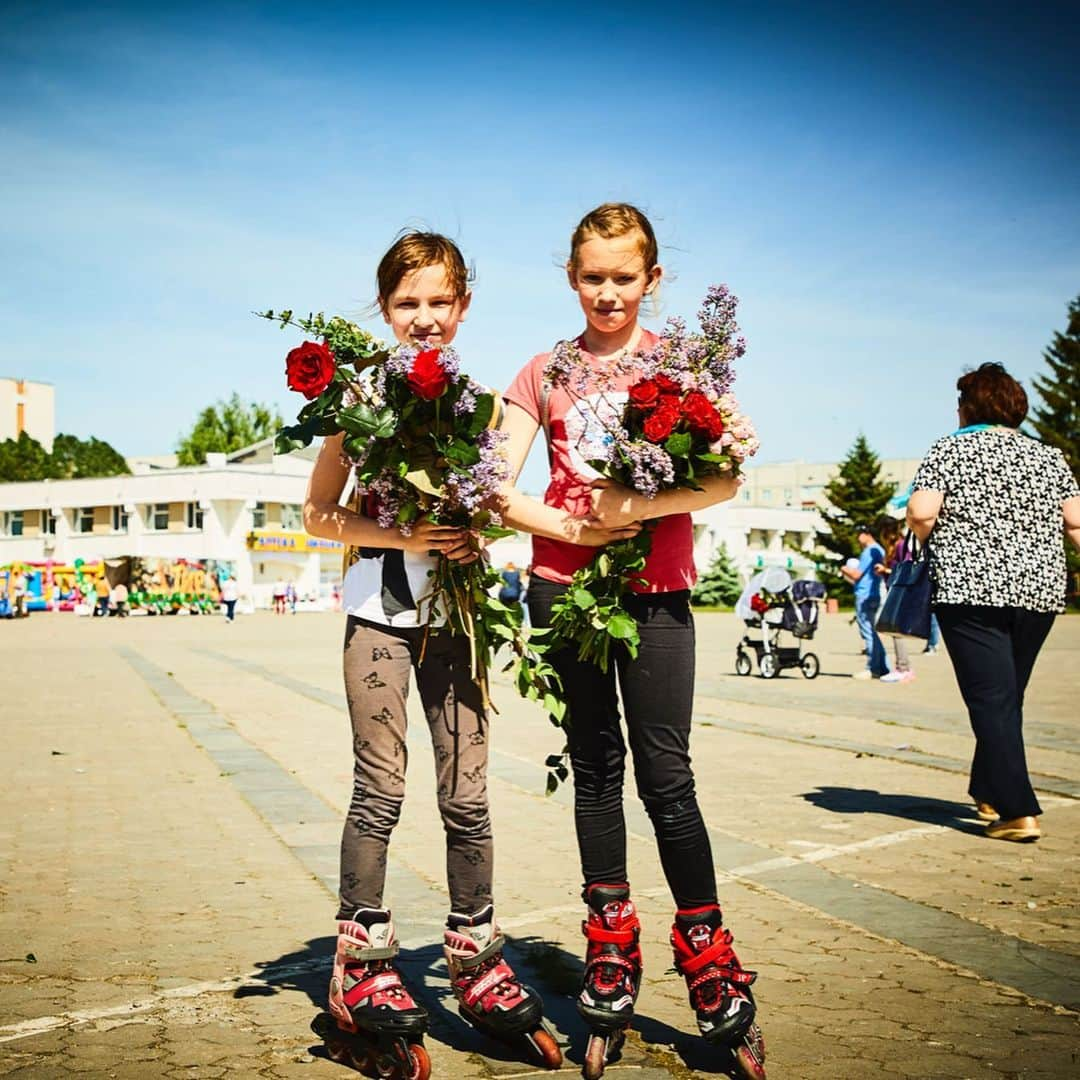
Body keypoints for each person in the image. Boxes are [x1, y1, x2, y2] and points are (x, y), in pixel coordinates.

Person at [500, 203, 766, 1077]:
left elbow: (724, 477)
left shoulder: (682, 364)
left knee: (667, 772)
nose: (607, 293)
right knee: (595, 767)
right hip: (565, 594)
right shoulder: (544, 372)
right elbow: (493, 489)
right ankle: (610, 941)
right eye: (592, 276)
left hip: (657, 596)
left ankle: (708, 953)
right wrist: (572, 532)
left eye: (624, 277)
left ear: (653, 280)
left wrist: (636, 509)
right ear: (570, 278)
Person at [302, 231, 558, 1070]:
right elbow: (318, 514)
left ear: (463, 305)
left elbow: (494, 501)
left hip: (456, 616)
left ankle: (474, 955)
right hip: (378, 610)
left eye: (439, 301)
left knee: (468, 793)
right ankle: (361, 960)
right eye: (407, 302)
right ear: (384, 308)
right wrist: (401, 529)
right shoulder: (356, 400)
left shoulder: (480, 404)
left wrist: (474, 533)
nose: (424, 317)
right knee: (381, 785)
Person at [908, 362, 1080, 843]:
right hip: (1040, 592)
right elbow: (1076, 523)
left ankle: (1018, 810)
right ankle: (987, 787)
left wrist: (924, 539)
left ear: (968, 407)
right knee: (1005, 694)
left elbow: (922, 511)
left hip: (970, 591)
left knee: (991, 698)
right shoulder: (1049, 457)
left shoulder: (950, 449)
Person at [840, 523, 889, 679]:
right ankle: (883, 666)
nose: (857, 538)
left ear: (866, 534)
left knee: (868, 633)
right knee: (875, 632)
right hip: (876, 592)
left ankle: (872, 667)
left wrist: (844, 569)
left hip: (865, 593)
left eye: (859, 534)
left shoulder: (869, 551)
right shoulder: (880, 550)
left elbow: (856, 575)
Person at [874, 516, 914, 683]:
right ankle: (902, 667)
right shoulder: (896, 546)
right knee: (894, 629)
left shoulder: (900, 545)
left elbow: (908, 567)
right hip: (895, 589)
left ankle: (903, 668)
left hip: (900, 590)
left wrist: (886, 570)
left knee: (896, 630)